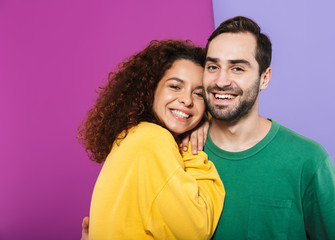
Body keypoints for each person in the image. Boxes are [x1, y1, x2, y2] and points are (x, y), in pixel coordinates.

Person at [200, 16, 335, 239]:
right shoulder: (180, 150)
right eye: (213, 66)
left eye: (237, 68)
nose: (221, 80)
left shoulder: (308, 160)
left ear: (264, 78)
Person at [78, 40, 225, 239]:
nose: (187, 100)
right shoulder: (154, 140)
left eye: (198, 93)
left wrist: (207, 119)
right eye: (175, 86)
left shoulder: (132, 136)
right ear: (151, 90)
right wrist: (192, 149)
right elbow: (197, 229)